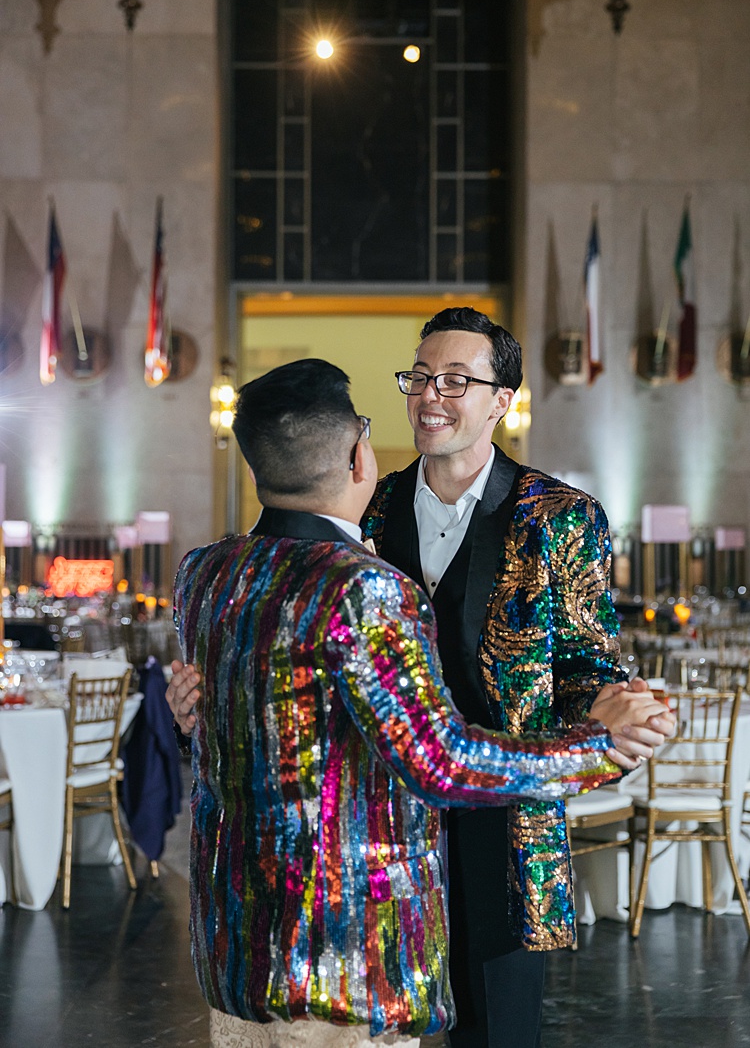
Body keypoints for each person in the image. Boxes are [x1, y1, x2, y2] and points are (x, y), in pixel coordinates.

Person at [170, 356, 673, 1048]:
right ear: (357, 456)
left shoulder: (207, 570)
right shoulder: (367, 587)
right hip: (342, 961)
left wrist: (189, 714)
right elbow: (439, 762)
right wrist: (596, 742)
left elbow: (254, 718)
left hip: (237, 949)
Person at [361, 306, 634, 1048]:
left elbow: (585, 669)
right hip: (386, 822)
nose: (430, 395)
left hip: (505, 823)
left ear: (501, 400)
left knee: (497, 1030)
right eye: (419, 377)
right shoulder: (371, 506)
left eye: (455, 379)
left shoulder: (562, 516)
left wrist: (613, 715)